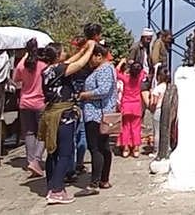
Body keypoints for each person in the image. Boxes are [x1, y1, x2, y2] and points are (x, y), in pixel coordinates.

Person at [38, 40, 94, 206]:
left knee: (52, 152)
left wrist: (82, 49)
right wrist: (89, 49)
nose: (65, 54)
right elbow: (79, 64)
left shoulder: (48, 70)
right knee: (65, 153)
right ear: (57, 55)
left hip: (52, 113)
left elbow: (69, 62)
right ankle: (57, 190)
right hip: (63, 116)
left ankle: (51, 185)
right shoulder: (60, 69)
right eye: (63, 52)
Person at [77, 45, 117, 195]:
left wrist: (84, 95)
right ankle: (103, 179)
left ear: (99, 56)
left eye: (91, 57)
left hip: (97, 115)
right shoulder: (105, 69)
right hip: (100, 114)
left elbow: (103, 90)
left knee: (96, 149)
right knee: (104, 148)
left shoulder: (104, 70)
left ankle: (94, 184)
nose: (89, 62)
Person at [13, 38, 47, 178]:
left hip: (24, 103)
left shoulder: (23, 65)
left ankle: (30, 161)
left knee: (29, 132)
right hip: (40, 103)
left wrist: (24, 58)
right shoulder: (43, 65)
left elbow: (15, 78)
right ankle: (36, 161)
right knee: (43, 133)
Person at [116, 60, 148, 157]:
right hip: (136, 105)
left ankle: (126, 148)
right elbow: (144, 72)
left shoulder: (126, 79)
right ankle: (136, 148)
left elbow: (116, 72)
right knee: (136, 128)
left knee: (125, 128)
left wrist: (121, 63)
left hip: (126, 104)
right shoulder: (140, 77)